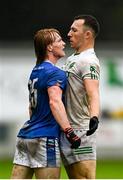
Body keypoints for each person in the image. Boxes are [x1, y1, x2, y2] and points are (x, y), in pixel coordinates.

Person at [11, 28, 81, 179]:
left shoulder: (35, 71)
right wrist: (69, 131)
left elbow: (31, 108)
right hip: (45, 138)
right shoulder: (56, 73)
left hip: (25, 137)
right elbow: (54, 101)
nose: (63, 43)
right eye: (59, 41)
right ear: (49, 47)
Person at [60, 15, 100, 179]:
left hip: (81, 131)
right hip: (67, 130)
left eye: (74, 30)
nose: (69, 34)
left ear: (87, 35)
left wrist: (95, 116)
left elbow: (93, 93)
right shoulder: (72, 59)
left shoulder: (89, 60)